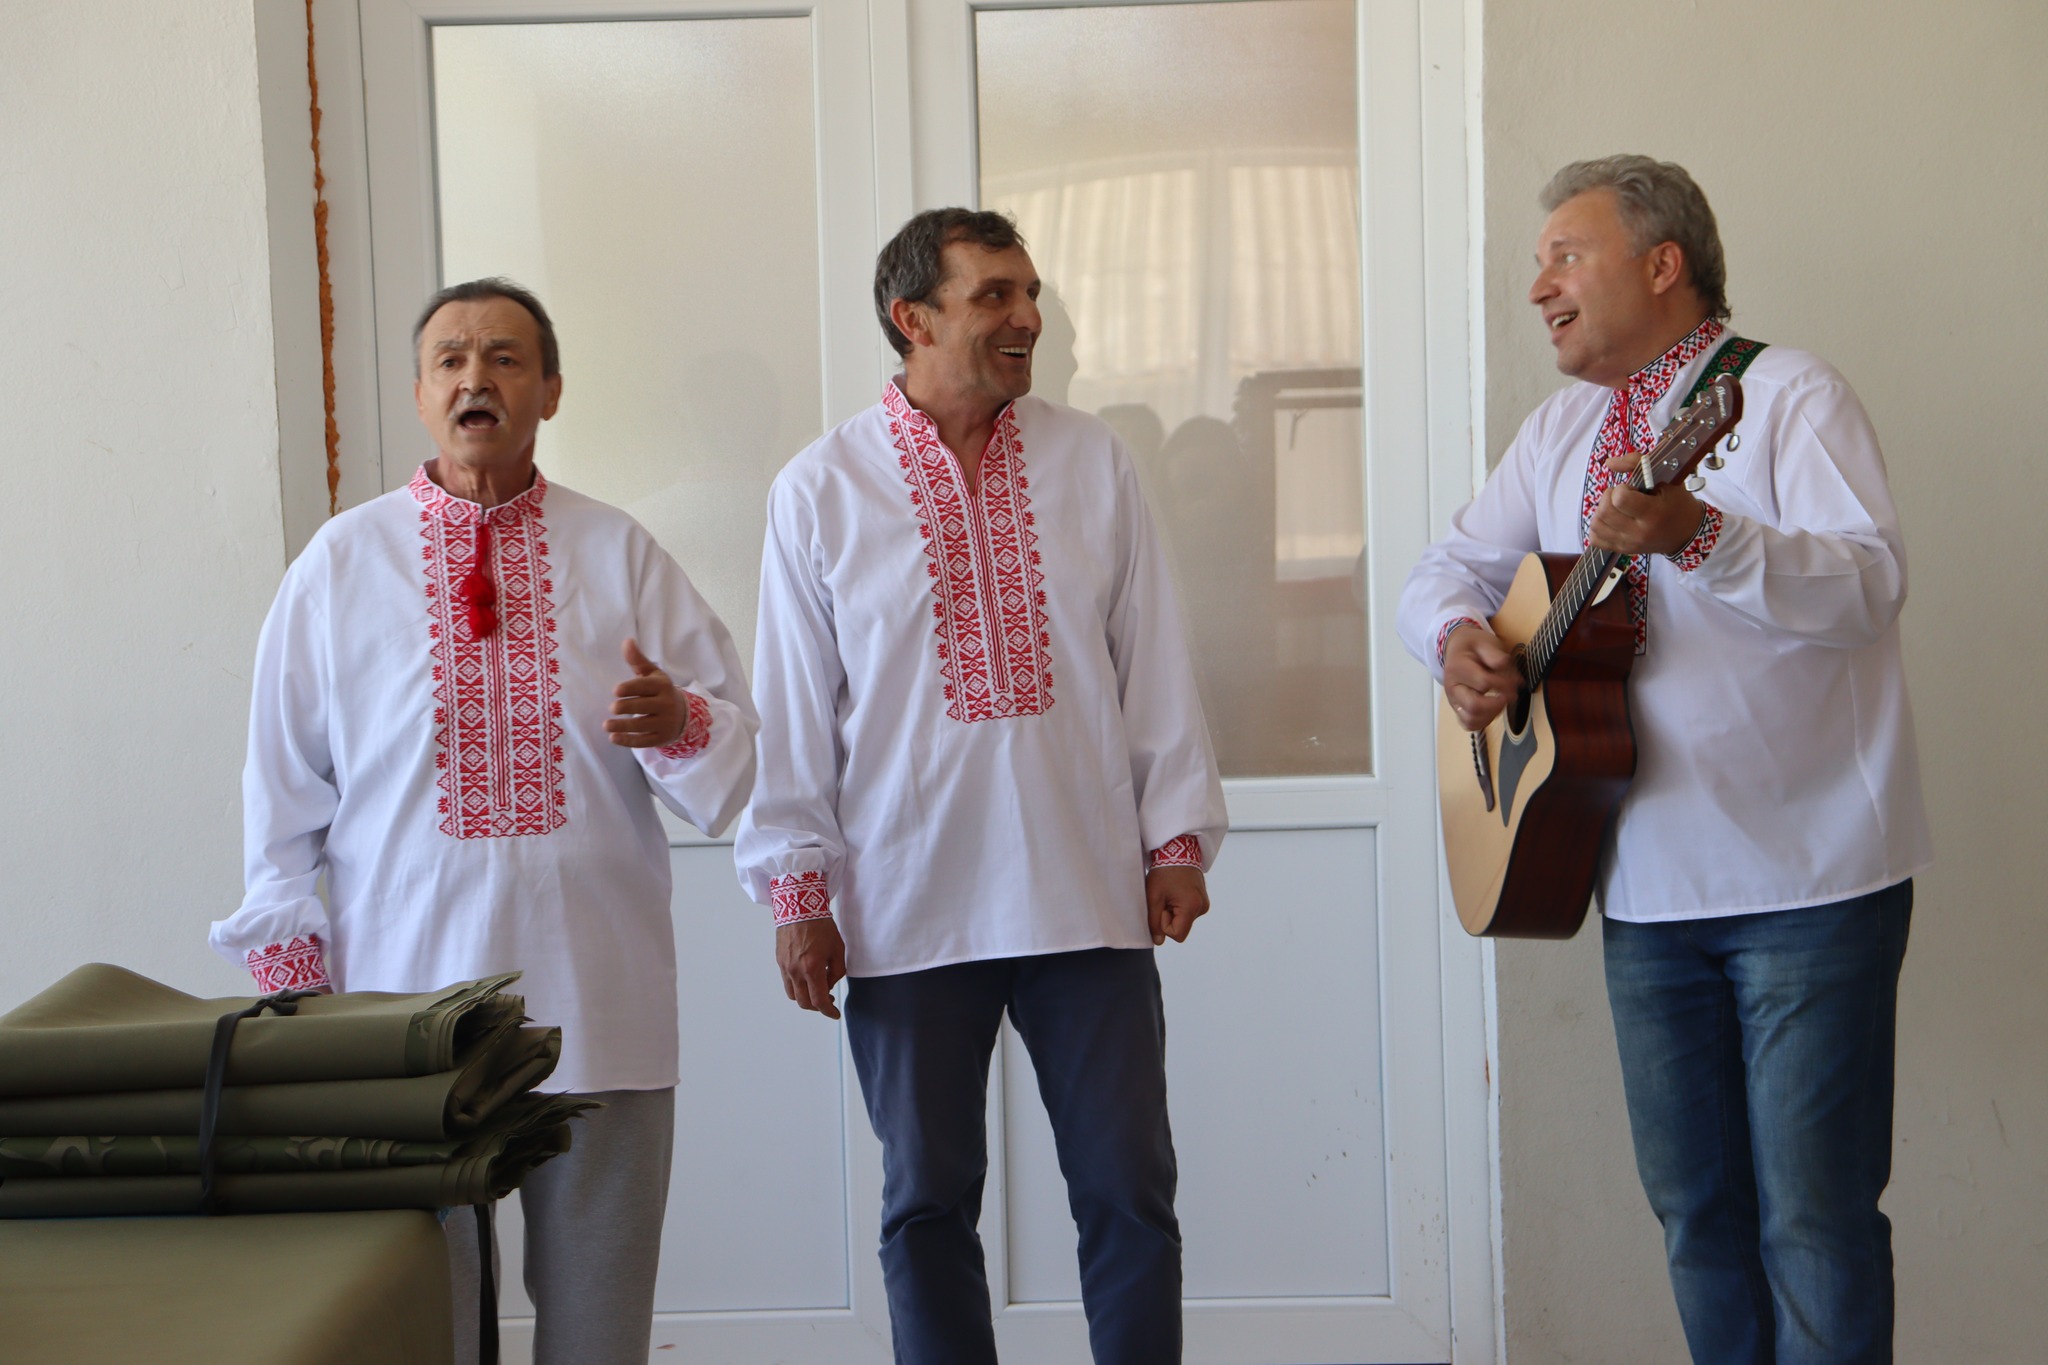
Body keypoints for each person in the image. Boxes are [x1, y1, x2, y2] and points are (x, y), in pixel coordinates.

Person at [1399, 156, 1930, 1364]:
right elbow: (1445, 570)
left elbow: (1868, 585)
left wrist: (1701, 534)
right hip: (1637, 886)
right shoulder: (1558, 431)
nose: (1536, 285)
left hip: (1811, 881)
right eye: (1537, 262)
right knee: (1695, 1219)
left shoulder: (1783, 396)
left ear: (1661, 264)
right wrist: (1454, 639)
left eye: (1563, 255)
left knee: (1814, 1222)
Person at [210, 278, 759, 1365]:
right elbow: (280, 794)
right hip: (401, 1016)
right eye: (452, 359)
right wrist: (296, 983)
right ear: (420, 394)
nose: (478, 378)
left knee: (600, 1320)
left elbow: (741, 777)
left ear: (550, 390)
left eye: (506, 358)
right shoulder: (340, 565)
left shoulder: (619, 552)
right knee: (424, 1318)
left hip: (597, 1002)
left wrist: (679, 721)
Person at [735, 208, 1226, 1365]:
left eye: (1030, 293)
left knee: (1128, 1193)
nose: (1026, 317)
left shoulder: (1090, 461)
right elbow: (792, 711)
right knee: (926, 1205)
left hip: (1084, 894)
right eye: (994, 295)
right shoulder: (820, 489)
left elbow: (1151, 659)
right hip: (906, 905)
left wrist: (1174, 838)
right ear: (911, 318)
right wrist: (796, 892)